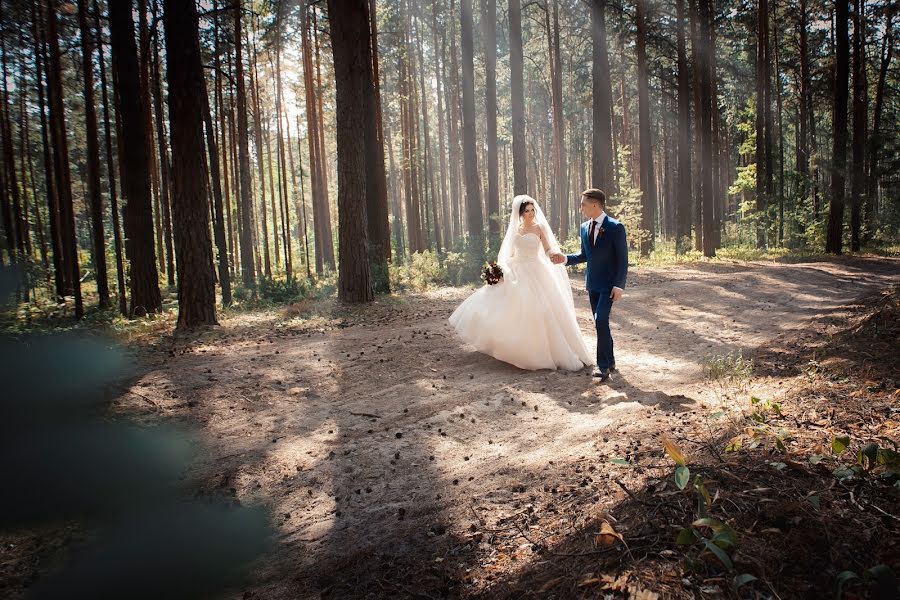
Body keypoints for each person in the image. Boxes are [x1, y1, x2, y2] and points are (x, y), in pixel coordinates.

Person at [449, 195, 593, 371]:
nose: (531, 213)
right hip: (516, 269)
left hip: (536, 270)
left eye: (533, 210)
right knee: (506, 306)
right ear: (520, 213)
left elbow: (547, 249)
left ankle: (542, 350)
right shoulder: (515, 230)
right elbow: (508, 253)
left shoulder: (539, 228)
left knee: (541, 308)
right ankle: (509, 346)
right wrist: (499, 270)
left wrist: (554, 256)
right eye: (527, 211)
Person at [550, 188, 628, 381]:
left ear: (595, 204)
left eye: (583, 203)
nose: (581, 207)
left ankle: (603, 367)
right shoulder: (584, 227)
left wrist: (619, 285)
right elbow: (584, 255)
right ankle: (610, 361)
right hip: (592, 284)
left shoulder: (615, 227)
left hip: (609, 285)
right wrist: (564, 258)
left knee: (601, 320)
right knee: (599, 323)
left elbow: (623, 260)